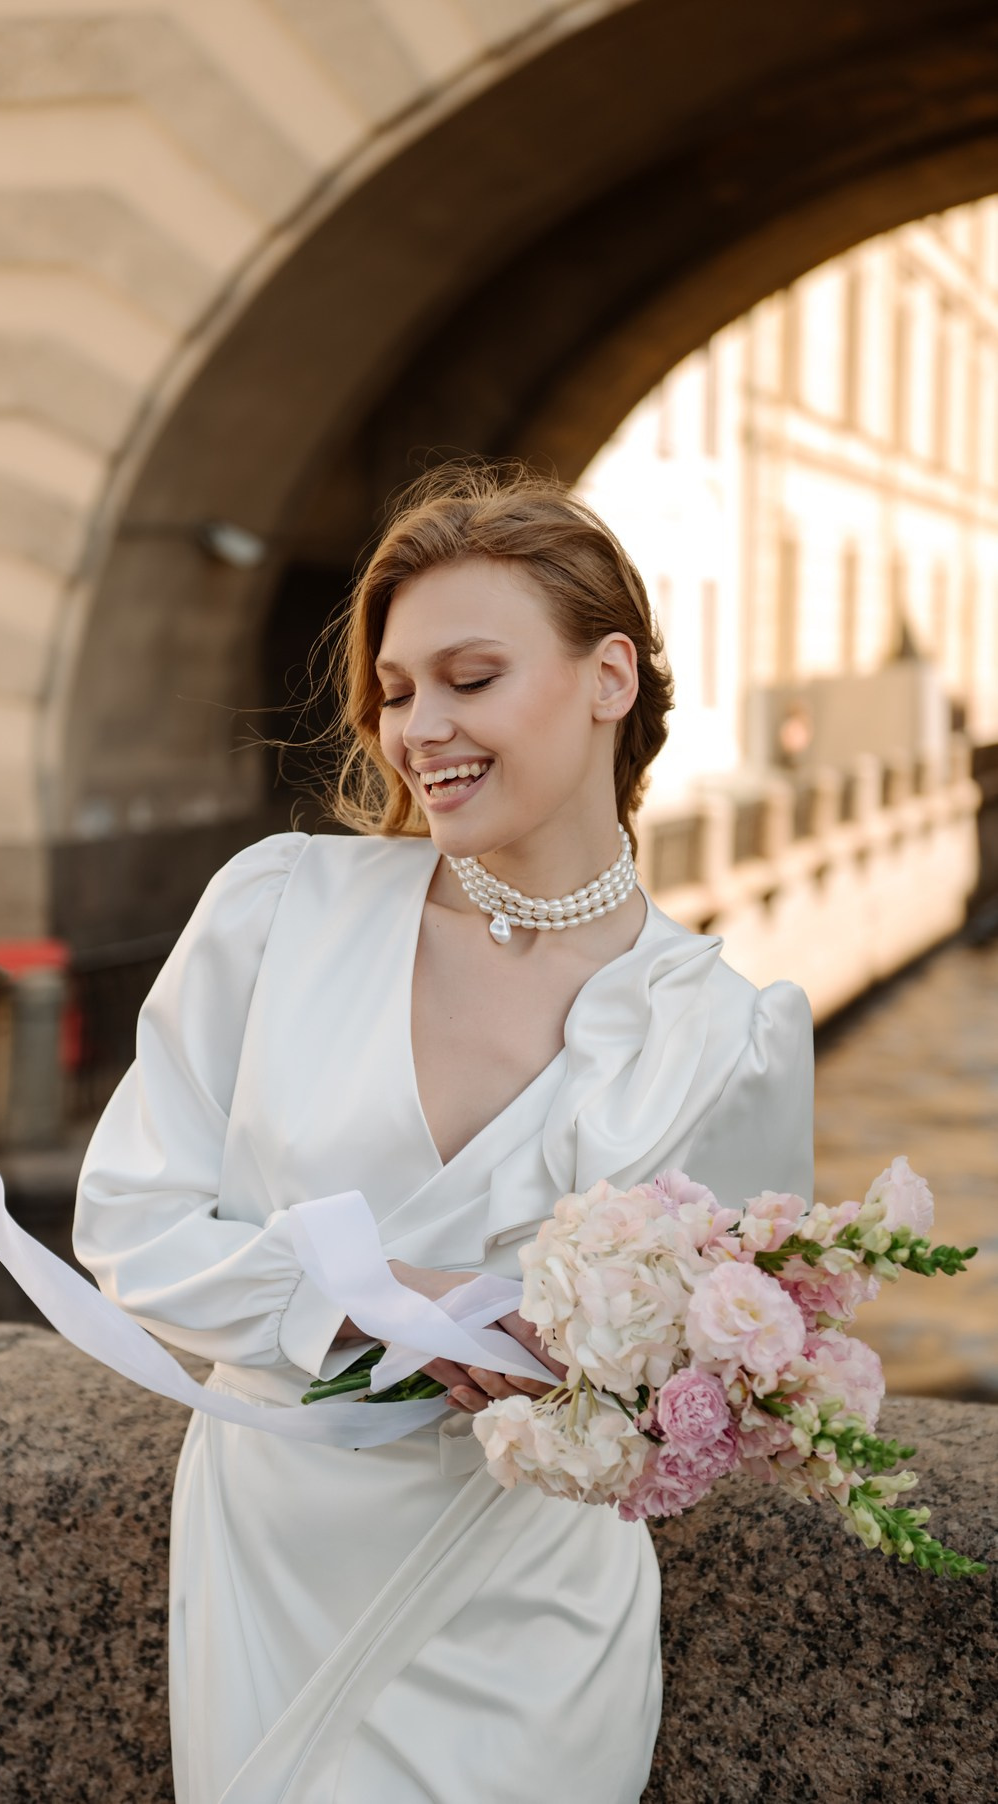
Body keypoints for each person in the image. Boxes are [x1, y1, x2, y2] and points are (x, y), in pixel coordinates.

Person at [71, 461, 815, 1804]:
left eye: (471, 678)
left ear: (610, 678)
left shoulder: (734, 1032)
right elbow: (126, 1224)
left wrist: (597, 1380)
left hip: (530, 1592)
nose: (420, 728)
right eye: (399, 690)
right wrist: (361, 1305)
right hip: (276, 1561)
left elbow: (730, 1392)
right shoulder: (274, 911)